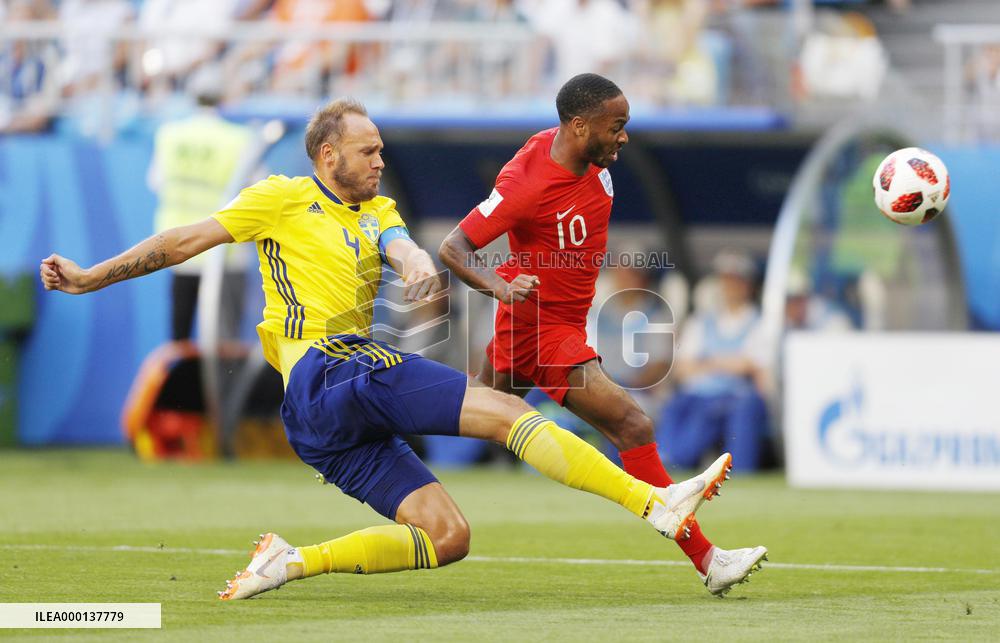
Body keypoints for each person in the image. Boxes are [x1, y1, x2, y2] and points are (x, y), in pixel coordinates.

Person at [39, 98, 734, 601]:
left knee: (448, 537)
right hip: (327, 369)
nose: (379, 160)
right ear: (327, 155)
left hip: (325, 414)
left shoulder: (379, 210)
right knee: (504, 410)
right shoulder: (280, 198)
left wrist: (417, 265)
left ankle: (290, 561)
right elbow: (182, 240)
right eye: (367, 150)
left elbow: (401, 247)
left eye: (379, 150)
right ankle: (655, 504)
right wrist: (92, 276)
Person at [438, 73, 766, 596]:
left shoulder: (582, 157)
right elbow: (453, 247)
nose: (624, 137)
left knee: (463, 412)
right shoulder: (526, 181)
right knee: (632, 424)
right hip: (542, 330)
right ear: (578, 125)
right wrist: (500, 285)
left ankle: (363, 428)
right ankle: (707, 558)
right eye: (616, 126)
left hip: (544, 327)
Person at [147, 73, 255, 341]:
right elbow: (258, 189)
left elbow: (156, 181)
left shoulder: (171, 134)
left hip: (177, 248)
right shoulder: (240, 138)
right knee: (225, 346)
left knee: (179, 339)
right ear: (224, 98)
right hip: (224, 253)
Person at [657, 249, 771, 472]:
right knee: (673, 407)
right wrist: (726, 364)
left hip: (734, 395)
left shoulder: (759, 322)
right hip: (697, 395)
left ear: (749, 285)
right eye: (726, 281)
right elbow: (682, 368)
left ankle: (681, 462)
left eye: (737, 281)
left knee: (709, 415)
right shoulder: (702, 321)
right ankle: (665, 461)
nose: (730, 287)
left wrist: (706, 364)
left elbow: (751, 365)